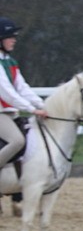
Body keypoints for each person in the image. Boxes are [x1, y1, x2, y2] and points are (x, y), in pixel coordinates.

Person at [0, 17, 49, 172]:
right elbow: (7, 93)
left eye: (14, 37)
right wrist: (32, 110)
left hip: (10, 113)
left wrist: (43, 105)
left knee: (32, 138)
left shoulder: (10, 62)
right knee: (17, 141)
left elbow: (22, 88)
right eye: (10, 37)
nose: (14, 40)